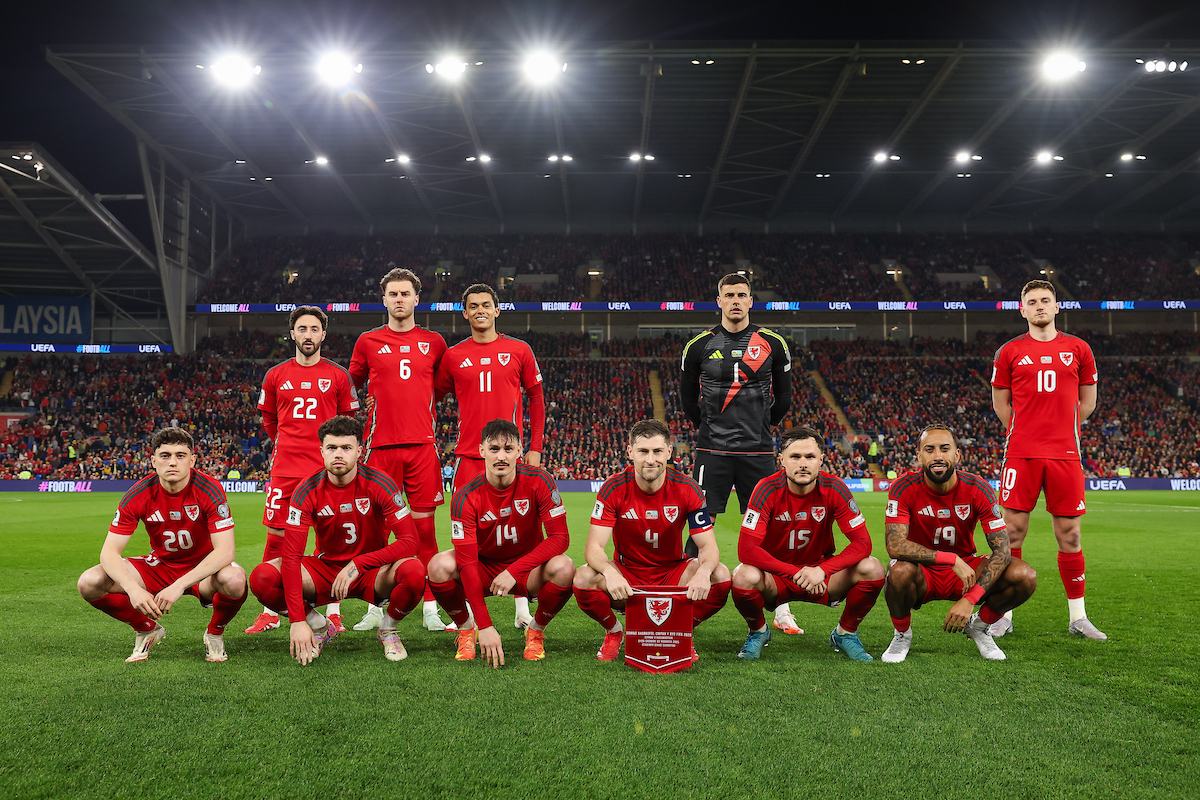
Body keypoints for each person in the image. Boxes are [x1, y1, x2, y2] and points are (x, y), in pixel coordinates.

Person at [248, 416, 427, 664]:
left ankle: (388, 629)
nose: (339, 454)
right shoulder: (306, 490)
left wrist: (359, 564)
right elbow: (291, 557)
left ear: (359, 452)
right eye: (332, 448)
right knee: (262, 577)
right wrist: (299, 620)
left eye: (346, 448)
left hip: (372, 572)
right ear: (321, 451)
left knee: (415, 571)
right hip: (326, 571)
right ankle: (320, 626)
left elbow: (410, 542)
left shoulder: (381, 483)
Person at [679, 273, 798, 634]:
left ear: (750, 301)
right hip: (711, 451)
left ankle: (781, 608)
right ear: (718, 301)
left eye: (741, 295)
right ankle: (682, 599)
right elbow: (687, 399)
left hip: (758, 453)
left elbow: (786, 397)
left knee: (769, 528)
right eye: (728, 295)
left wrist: (763, 428)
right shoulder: (698, 345)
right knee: (699, 524)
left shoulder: (773, 342)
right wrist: (709, 428)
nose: (735, 300)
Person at [990, 279, 1103, 640]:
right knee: (1012, 531)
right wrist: (1027, 430)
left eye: (1046, 300)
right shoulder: (1008, 352)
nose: (1040, 306)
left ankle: (1078, 617)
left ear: (1056, 307)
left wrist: (1057, 430)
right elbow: (1001, 405)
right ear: (1022, 310)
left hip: (1065, 454)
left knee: (1069, 533)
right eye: (1032, 301)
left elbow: (1087, 403)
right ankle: (1003, 615)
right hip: (1020, 453)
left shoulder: (1079, 349)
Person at [77, 428, 247, 663]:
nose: (173, 462)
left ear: (192, 460)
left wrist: (179, 585)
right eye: (165, 455)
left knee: (236, 580)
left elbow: (226, 551)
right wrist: (132, 589)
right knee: (89, 582)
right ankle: (147, 628)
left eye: (180, 455)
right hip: (161, 565)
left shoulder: (209, 489)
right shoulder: (138, 493)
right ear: (154, 461)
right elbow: (109, 552)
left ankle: (215, 633)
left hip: (202, 569)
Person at [572, 419, 731, 662]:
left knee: (719, 574)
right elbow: (594, 547)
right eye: (643, 451)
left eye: (657, 451)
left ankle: (681, 632)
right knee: (584, 577)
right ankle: (614, 632)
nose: (650, 459)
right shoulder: (612, 488)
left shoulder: (687, 488)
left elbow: (708, 545)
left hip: (673, 574)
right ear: (630, 452)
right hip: (628, 575)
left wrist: (702, 571)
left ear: (669, 452)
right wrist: (609, 571)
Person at [436, 283, 546, 629]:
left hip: (512, 458)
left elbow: (537, 399)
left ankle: (522, 607)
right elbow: (429, 396)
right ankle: (470, 615)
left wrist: (536, 447)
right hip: (469, 458)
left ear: (497, 311)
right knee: (468, 539)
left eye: (487, 304)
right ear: (465, 313)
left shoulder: (519, 349)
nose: (480, 310)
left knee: (523, 532)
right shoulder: (452, 356)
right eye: (473, 305)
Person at [245, 306, 359, 636]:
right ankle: (270, 611)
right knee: (277, 537)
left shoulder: (338, 375)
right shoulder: (276, 375)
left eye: (314, 329)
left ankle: (333, 611)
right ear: (292, 334)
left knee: (332, 537)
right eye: (301, 329)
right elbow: (269, 420)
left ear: (323, 335)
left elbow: (347, 424)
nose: (308, 335)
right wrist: (288, 444)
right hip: (285, 470)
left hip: (326, 472)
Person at [349, 268, 452, 633]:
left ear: (416, 299)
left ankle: (429, 609)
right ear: (384, 299)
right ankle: (375, 608)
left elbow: (439, 388)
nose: (399, 299)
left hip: (422, 447)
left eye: (405, 293)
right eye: (392, 293)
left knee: (425, 534)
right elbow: (349, 391)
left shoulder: (435, 342)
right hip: (378, 449)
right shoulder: (367, 341)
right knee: (375, 534)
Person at [880, 425, 1038, 663]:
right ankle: (902, 633)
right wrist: (951, 558)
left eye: (944, 449)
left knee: (1024, 575)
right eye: (929, 449)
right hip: (923, 572)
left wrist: (971, 598)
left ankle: (980, 625)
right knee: (898, 570)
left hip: (967, 574)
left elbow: (1003, 551)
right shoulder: (902, 487)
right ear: (919, 456)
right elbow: (895, 546)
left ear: (956, 455)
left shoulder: (978, 488)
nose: (937, 456)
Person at [427, 419, 576, 667]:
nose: (501, 457)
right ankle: (467, 629)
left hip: (527, 571)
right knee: (438, 565)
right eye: (494, 449)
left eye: (508, 449)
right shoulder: (465, 495)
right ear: (481, 451)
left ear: (520, 451)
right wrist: (484, 625)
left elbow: (561, 539)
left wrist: (514, 571)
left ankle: (535, 631)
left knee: (565, 567)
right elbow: (466, 562)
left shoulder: (540, 481)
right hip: (483, 568)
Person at [731, 426, 884, 661]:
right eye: (795, 457)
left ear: (821, 459)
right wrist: (796, 573)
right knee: (743, 576)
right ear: (782, 460)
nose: (803, 463)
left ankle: (845, 633)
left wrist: (822, 570)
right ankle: (758, 632)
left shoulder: (835, 488)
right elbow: (746, 549)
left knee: (872, 568)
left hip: (821, 575)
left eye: (810, 457)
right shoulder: (766, 488)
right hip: (777, 577)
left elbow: (863, 543)